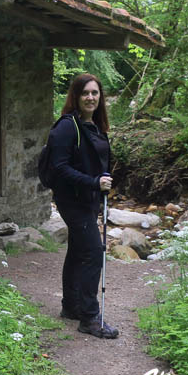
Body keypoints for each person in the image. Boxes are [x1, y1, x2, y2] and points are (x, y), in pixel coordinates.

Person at [50, 73, 118, 339]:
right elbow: (60, 168)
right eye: (85, 93)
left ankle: (71, 306)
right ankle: (90, 317)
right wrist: (93, 182)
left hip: (88, 198)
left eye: (95, 93)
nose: (91, 97)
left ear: (101, 97)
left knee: (78, 250)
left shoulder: (95, 126)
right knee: (93, 251)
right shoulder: (68, 127)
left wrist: (100, 184)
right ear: (75, 97)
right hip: (72, 199)